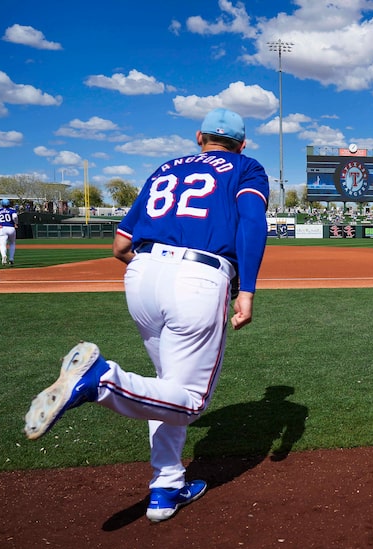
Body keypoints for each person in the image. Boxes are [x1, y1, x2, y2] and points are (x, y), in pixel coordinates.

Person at [23, 108, 270, 522]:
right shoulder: (246, 166)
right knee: (189, 402)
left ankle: (166, 487)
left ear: (199, 137)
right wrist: (246, 290)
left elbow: (120, 245)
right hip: (200, 274)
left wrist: (154, 269)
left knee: (164, 388)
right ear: (242, 144)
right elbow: (251, 223)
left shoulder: (166, 168)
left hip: (141, 274)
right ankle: (100, 381)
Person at [0, 198, 18, 266]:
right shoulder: (12, 210)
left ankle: (3, 256)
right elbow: (15, 217)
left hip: (1, 228)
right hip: (11, 228)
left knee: (2, 245)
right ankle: (11, 259)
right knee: (12, 244)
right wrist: (16, 223)